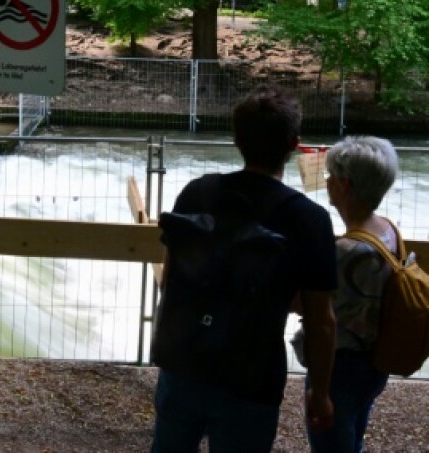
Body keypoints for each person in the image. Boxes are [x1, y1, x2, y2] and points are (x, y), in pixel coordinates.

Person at [151, 84, 338, 452]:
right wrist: (320, 392)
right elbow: (321, 322)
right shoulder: (309, 219)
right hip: (252, 375)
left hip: (183, 359)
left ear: (236, 139)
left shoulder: (197, 192)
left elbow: (170, 276)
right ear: (293, 143)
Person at [292, 136, 400, 452]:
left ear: (344, 185)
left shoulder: (345, 251)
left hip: (338, 368)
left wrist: (321, 392)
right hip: (374, 362)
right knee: (351, 438)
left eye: (330, 176)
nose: (325, 182)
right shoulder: (386, 229)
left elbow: (302, 303)